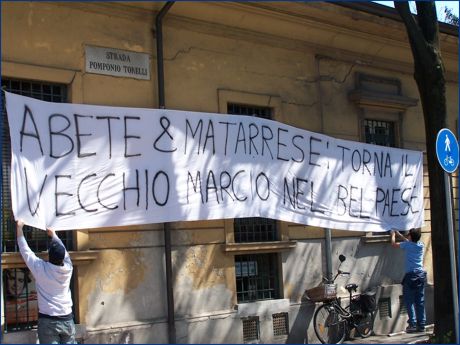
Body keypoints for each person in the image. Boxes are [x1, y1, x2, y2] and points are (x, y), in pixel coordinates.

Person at [16, 219, 76, 344]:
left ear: (49, 256)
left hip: (48, 320)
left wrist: (19, 228)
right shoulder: (69, 268)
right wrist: (53, 235)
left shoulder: (41, 269)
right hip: (67, 318)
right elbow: (64, 252)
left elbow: (25, 251)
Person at [390, 228, 427, 333]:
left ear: (410, 236)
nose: (407, 236)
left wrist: (393, 234)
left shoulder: (407, 245)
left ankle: (412, 324)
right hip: (420, 275)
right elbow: (408, 241)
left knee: (409, 301)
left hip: (411, 276)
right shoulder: (421, 245)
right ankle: (422, 325)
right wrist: (399, 234)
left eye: (408, 235)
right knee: (420, 301)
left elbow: (393, 244)